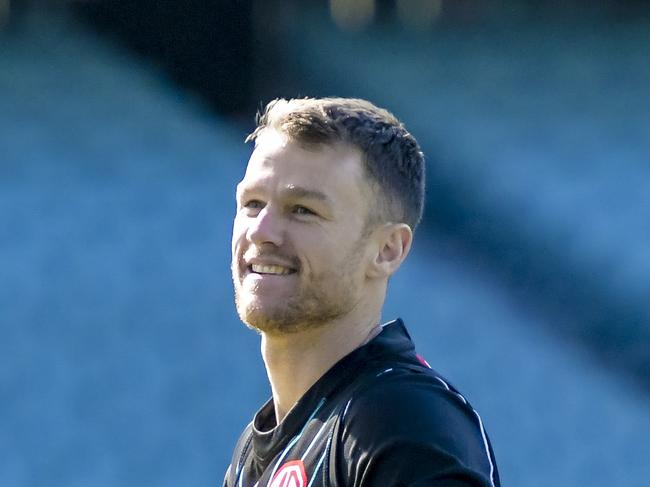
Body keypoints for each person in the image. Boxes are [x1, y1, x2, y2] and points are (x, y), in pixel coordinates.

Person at [224, 97, 500, 487]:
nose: (261, 231)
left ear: (388, 250)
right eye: (252, 203)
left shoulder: (402, 420)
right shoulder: (251, 456)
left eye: (302, 209)